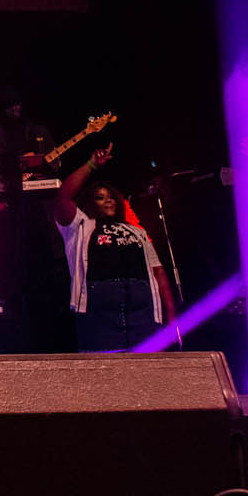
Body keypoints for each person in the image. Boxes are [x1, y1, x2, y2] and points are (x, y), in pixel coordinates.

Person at [52, 143, 175, 351]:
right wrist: (91, 165)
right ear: (90, 202)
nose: (108, 201)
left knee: (145, 371)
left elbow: (158, 272)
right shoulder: (80, 225)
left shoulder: (137, 231)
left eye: (111, 198)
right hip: (99, 315)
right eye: (100, 198)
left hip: (142, 313)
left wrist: (171, 319)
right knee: (105, 373)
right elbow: (64, 197)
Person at [0, 88, 63, 350]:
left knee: (41, 260)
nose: (15, 109)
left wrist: (39, 166)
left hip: (36, 207)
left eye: (18, 104)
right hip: (4, 210)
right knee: (3, 258)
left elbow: (55, 163)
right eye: (10, 106)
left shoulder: (39, 130)